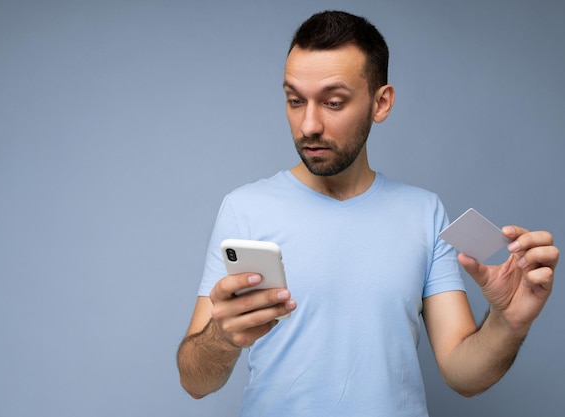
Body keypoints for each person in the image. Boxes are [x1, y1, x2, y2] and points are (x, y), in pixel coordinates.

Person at [176, 10, 559, 416]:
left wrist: (508, 323)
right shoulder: (245, 208)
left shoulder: (424, 212)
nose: (308, 124)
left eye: (334, 102)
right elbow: (195, 382)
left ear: (381, 102)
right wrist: (221, 336)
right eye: (294, 100)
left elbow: (462, 376)